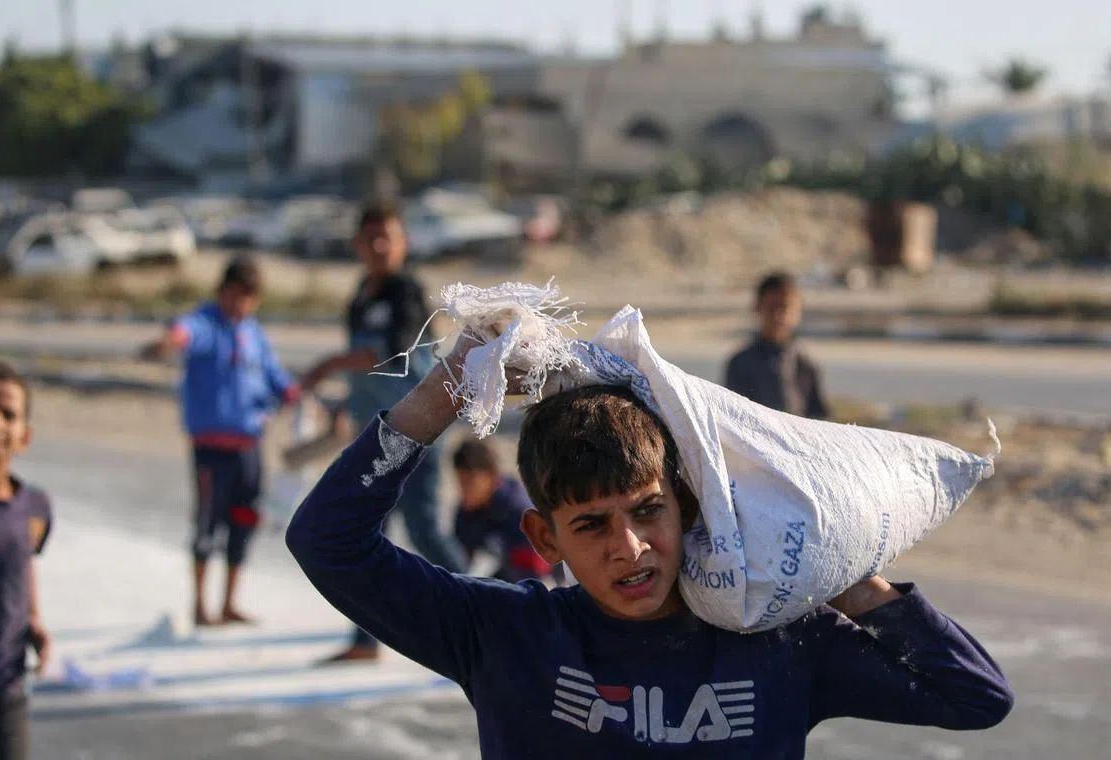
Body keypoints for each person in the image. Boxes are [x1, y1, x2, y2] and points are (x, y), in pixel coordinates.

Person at [285, 335, 1014, 758]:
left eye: (648, 511)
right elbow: (327, 543)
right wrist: (443, 390)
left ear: (688, 505)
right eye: (591, 525)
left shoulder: (777, 642)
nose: (630, 548)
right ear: (545, 539)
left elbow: (975, 697)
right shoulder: (505, 636)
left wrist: (844, 573)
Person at [301, 199, 466, 663]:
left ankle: (493, 608)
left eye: (386, 237)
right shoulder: (361, 295)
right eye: (369, 237)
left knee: (426, 531)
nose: (377, 246)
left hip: (416, 433)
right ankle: (365, 639)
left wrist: (326, 366)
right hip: (373, 436)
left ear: (402, 243)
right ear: (357, 243)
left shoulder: (405, 293)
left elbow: (391, 357)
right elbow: (364, 375)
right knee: (365, 533)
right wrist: (342, 408)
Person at [141, 255, 300, 626]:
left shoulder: (255, 334)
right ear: (221, 292)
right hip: (211, 450)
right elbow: (185, 333)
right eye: (235, 295)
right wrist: (168, 342)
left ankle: (229, 603)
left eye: (249, 297)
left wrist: (297, 395)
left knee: (243, 521)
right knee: (206, 525)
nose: (241, 304)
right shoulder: (205, 322)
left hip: (249, 447)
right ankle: (200, 605)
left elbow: (277, 379)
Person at [0, 362, 52, 760]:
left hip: (5, 687)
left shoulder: (35, 508)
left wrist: (34, 617)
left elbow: (23, 560)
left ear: (26, 435)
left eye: (8, 415)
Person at [724, 271, 830, 420]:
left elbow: (819, 417)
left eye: (786, 307)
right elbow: (730, 417)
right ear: (757, 307)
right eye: (772, 307)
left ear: (798, 312)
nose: (779, 315)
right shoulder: (740, 363)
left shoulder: (805, 363)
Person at [450, 439, 551, 584]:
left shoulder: (519, 512)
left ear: (491, 477)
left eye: (470, 483)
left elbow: (537, 571)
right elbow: (459, 560)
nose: (464, 491)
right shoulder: (467, 510)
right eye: (460, 482)